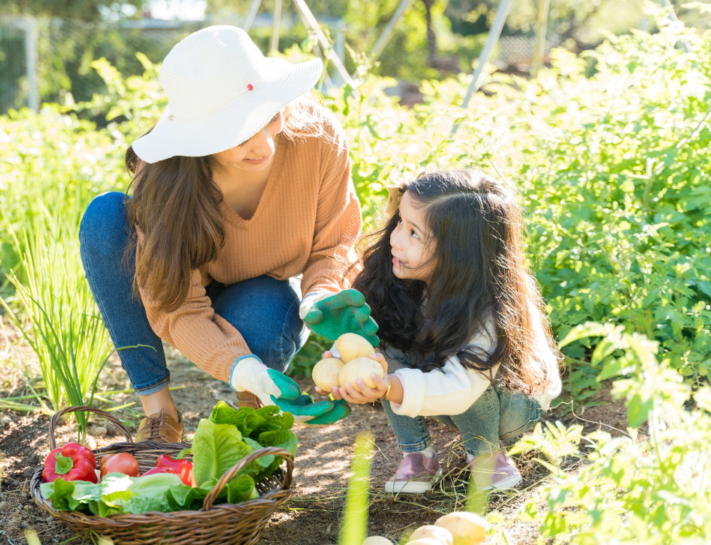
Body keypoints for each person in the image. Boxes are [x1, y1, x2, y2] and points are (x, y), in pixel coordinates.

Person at [78, 25, 378, 443]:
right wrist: (240, 365)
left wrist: (320, 296)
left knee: (265, 320)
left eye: (269, 117)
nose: (264, 146)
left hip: (262, 289)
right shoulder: (167, 180)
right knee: (105, 217)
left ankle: (254, 408)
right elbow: (178, 306)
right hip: (177, 291)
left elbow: (335, 243)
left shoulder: (316, 137)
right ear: (200, 138)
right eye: (238, 133)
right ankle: (160, 412)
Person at [313, 169, 562, 492]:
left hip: (510, 405)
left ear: (459, 254)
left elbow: (463, 388)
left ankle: (487, 455)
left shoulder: (489, 309)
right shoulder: (406, 280)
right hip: (449, 390)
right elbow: (376, 341)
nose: (396, 238)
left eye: (415, 233)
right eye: (400, 221)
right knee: (383, 350)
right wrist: (349, 361)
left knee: (471, 363)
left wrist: (387, 387)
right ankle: (417, 456)